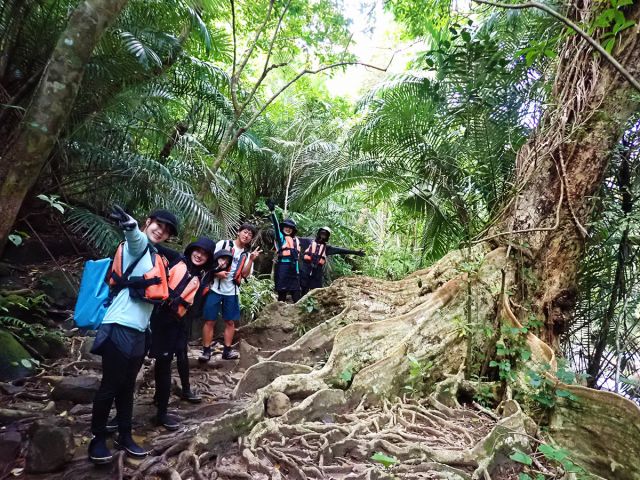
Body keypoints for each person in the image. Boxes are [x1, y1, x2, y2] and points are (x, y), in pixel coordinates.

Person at [88, 206, 178, 465]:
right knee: (110, 385)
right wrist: (130, 225)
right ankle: (97, 439)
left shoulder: (156, 255)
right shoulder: (135, 248)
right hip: (118, 326)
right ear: (148, 222)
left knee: (127, 386)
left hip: (139, 331)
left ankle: (124, 435)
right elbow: (135, 239)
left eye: (166, 230)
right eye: (158, 224)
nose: (161, 231)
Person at [148, 238, 221, 431]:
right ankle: (153, 412)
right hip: (157, 319)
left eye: (204, 254)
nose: (199, 255)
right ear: (190, 250)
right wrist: (134, 229)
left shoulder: (203, 273)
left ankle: (164, 406)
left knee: (172, 360)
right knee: (152, 363)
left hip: (178, 322)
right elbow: (154, 246)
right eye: (197, 251)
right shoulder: (175, 259)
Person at [198, 223, 261, 362]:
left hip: (232, 291)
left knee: (230, 322)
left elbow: (244, 275)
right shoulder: (223, 244)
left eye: (250, 235)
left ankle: (227, 351)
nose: (247, 236)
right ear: (238, 232)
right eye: (245, 232)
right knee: (209, 320)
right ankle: (206, 351)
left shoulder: (247, 254)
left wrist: (251, 260)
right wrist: (217, 273)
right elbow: (208, 260)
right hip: (215, 288)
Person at [299, 227, 366, 296]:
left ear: (327, 237)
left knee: (316, 287)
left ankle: (310, 302)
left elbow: (341, 250)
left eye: (325, 235)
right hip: (306, 267)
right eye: (322, 233)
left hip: (317, 270)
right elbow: (296, 239)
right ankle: (300, 300)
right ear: (319, 233)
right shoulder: (308, 242)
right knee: (303, 285)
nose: (323, 236)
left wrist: (355, 252)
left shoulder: (327, 248)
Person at [267, 200, 302, 302]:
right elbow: (276, 227)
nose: (288, 229)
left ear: (293, 230)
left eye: (290, 228)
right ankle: (278, 314)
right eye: (286, 227)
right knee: (282, 293)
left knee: (296, 293)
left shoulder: (296, 240)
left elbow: (296, 258)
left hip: (293, 268)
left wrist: (297, 272)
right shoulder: (281, 238)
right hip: (283, 267)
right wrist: (273, 212)